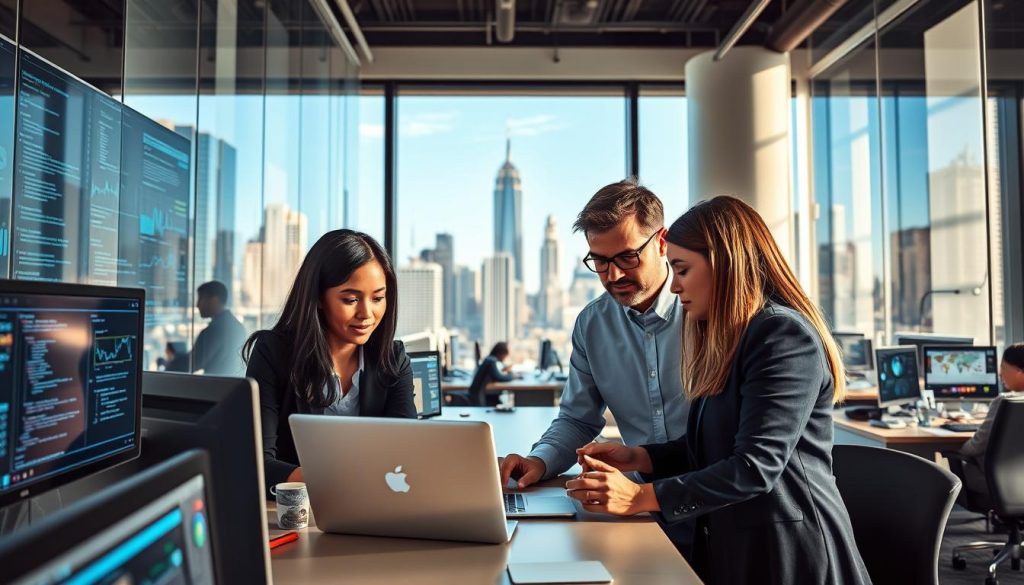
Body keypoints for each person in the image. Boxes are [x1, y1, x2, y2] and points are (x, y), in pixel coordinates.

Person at [568, 196, 870, 584]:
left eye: (682, 269)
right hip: (737, 542)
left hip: (789, 553)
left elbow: (754, 467)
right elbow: (713, 446)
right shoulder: (731, 336)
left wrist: (642, 497)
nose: (674, 286)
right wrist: (638, 457)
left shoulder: (782, 335)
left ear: (725, 264)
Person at [498, 180, 690, 546]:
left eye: (626, 257)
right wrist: (539, 461)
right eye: (599, 261)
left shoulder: (704, 313)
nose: (612, 276)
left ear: (662, 242)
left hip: (710, 501)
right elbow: (577, 419)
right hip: (636, 512)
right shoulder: (592, 324)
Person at [244, 230, 416, 488]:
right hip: (299, 513)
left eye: (378, 298)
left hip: (376, 504)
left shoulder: (392, 360)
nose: (366, 313)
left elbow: (412, 451)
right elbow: (256, 462)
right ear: (318, 298)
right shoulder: (273, 353)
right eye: (351, 299)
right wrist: (339, 482)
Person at [958, 342, 1024, 494]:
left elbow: (975, 447)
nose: (1000, 374)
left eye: (1003, 368)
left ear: (1019, 371)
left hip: (997, 482)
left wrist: (959, 450)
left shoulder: (1005, 401)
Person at [191, 281, 247, 376]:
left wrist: (169, 361)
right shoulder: (238, 327)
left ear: (214, 300)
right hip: (232, 386)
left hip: (215, 388)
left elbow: (194, 363)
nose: (197, 305)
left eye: (201, 299)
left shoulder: (214, 330)